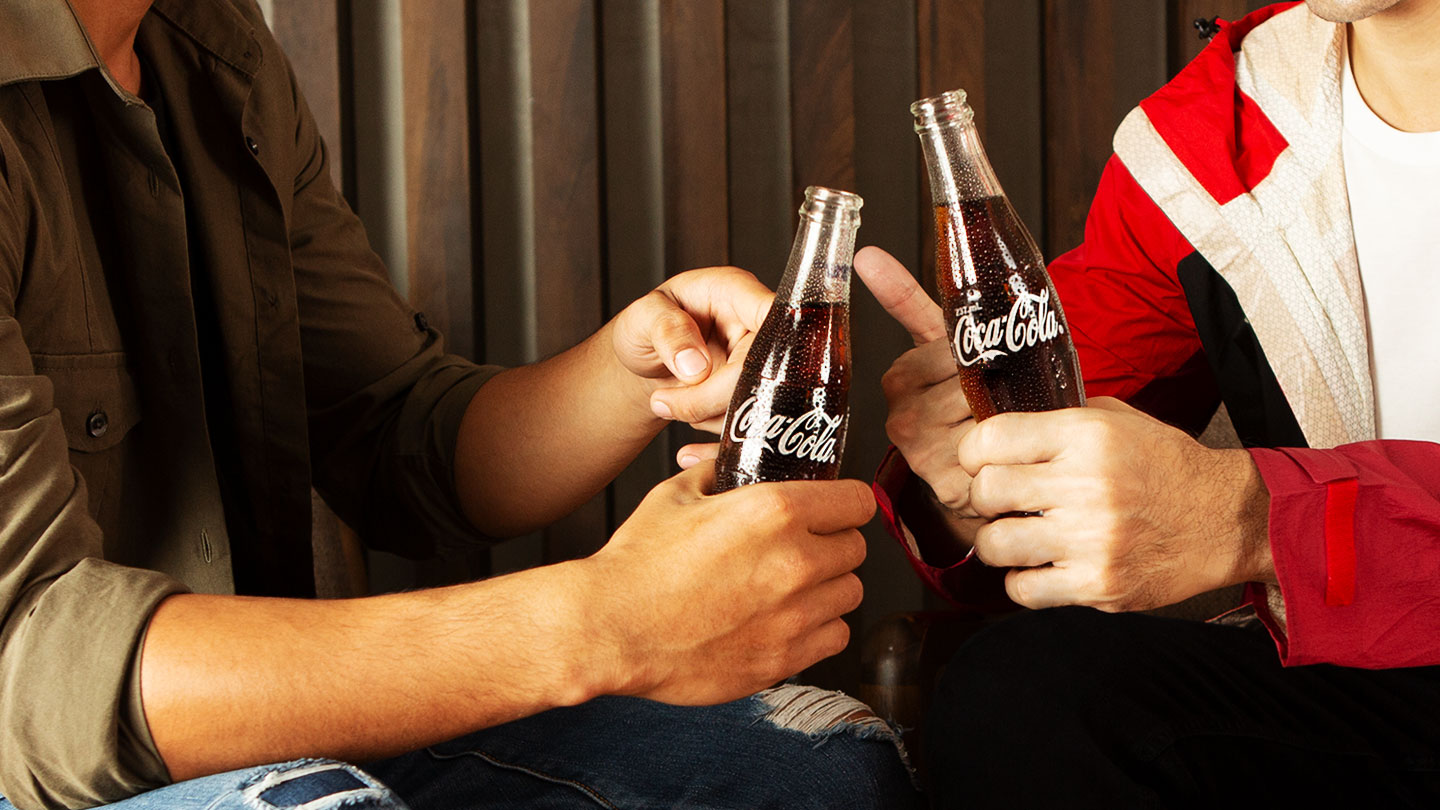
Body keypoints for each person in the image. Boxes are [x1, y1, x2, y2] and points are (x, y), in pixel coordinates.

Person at [0, 1, 921, 809]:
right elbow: (32, 676)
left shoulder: (213, 48)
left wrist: (641, 369)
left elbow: (398, 430)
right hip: (37, 767)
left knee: (820, 766)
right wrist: (601, 623)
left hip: (265, 738)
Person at [850, 0, 1440, 805]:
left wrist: (1257, 519)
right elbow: (1068, 423)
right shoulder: (1216, 132)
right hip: (1376, 692)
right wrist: (981, 473)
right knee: (1029, 695)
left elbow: (1237, 515)